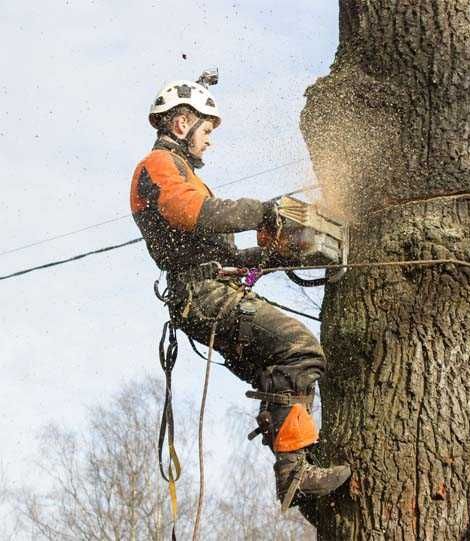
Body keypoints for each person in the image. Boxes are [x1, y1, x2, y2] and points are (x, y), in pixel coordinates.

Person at [129, 78, 351, 510]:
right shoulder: (158, 165)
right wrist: (263, 210)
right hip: (202, 294)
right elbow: (195, 213)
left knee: (280, 371)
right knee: (299, 349)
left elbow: (220, 255)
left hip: (209, 288)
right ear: (181, 123)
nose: (208, 142)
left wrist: (278, 253)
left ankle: (297, 467)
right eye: (206, 131)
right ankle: (295, 472)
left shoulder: (182, 173)